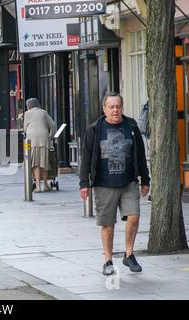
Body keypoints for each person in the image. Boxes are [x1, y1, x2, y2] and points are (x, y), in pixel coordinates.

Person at [79, 92, 150, 276]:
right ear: (104, 109)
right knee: (108, 225)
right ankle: (108, 260)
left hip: (128, 182)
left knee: (134, 216)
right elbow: (86, 158)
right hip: (104, 184)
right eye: (111, 107)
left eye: (118, 106)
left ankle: (129, 254)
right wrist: (84, 183)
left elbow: (140, 155)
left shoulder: (131, 126)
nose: (115, 110)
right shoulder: (95, 129)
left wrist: (145, 179)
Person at [23, 98, 57, 192]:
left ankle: (38, 186)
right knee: (44, 162)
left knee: (35, 163)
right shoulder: (43, 112)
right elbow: (53, 125)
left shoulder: (27, 113)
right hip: (43, 138)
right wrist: (50, 137)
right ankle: (45, 185)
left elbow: (25, 128)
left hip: (31, 140)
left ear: (29, 106)